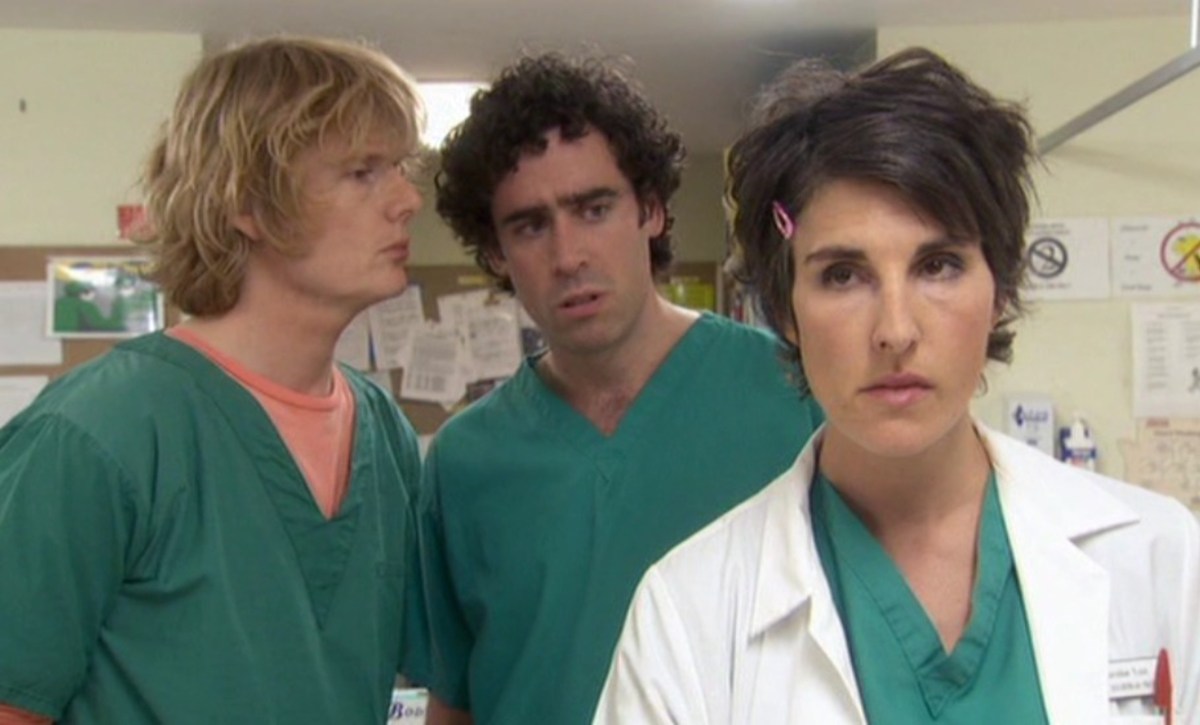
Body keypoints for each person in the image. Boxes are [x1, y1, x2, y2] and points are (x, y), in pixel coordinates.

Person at [595, 47, 1200, 724]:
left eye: (938, 265)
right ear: (785, 308)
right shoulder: (689, 611)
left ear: (996, 289)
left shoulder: (1158, 555)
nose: (896, 329)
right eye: (843, 275)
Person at [0, 36, 427, 724]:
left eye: (402, 168)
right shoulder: (103, 430)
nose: (408, 199)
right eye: (362, 172)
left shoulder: (383, 431)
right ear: (248, 204)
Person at [417, 53, 823, 725]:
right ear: (495, 251)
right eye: (529, 224)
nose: (568, 254)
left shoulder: (790, 391)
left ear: (653, 210)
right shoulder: (466, 462)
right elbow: (453, 703)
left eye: (594, 207)